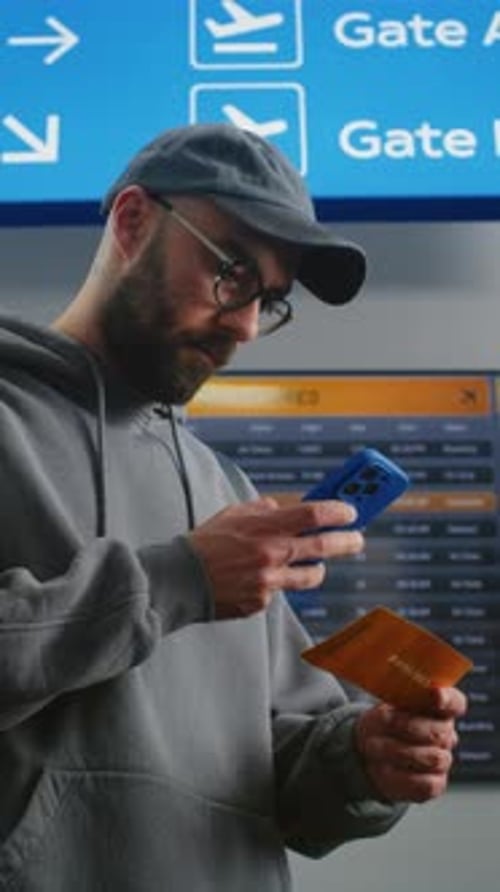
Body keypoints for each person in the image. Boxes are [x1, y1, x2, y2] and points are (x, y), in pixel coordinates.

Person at [0, 123, 466, 892]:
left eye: (270, 301)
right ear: (132, 221)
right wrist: (175, 580)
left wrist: (366, 761)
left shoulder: (230, 497)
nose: (246, 325)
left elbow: (280, 781)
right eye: (231, 272)